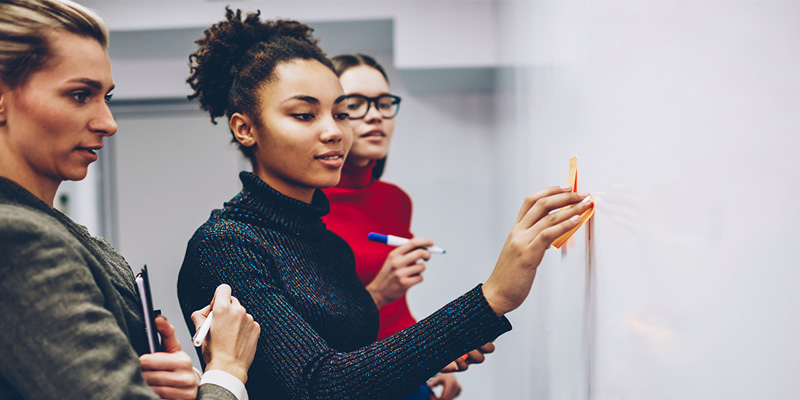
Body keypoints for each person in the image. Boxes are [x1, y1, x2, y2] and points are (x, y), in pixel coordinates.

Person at [177, 8, 593, 400]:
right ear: (245, 128)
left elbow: (355, 363)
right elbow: (320, 386)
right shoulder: (226, 246)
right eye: (305, 115)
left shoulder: (326, 243)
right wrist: (492, 297)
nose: (334, 132)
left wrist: (432, 353)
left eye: (340, 114)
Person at [0, 1, 261, 399]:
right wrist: (226, 370)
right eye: (79, 94)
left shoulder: (63, 232)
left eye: (105, 96)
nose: (108, 122)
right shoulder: (19, 239)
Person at [321, 53, 462, 400]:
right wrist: (378, 291)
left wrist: (435, 359)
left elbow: (396, 314)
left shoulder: (396, 200)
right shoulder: (305, 208)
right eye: (355, 104)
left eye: (384, 103)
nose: (375, 115)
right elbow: (307, 340)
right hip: (347, 384)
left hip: (407, 374)